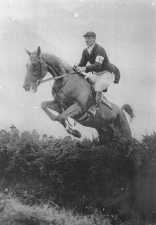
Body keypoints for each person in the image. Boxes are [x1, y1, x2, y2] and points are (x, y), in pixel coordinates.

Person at [74, 31, 120, 110]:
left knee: (98, 87)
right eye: (86, 38)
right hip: (97, 74)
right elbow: (82, 64)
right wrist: (75, 68)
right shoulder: (85, 51)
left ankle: (96, 107)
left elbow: (98, 66)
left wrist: (84, 68)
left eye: (89, 38)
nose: (87, 40)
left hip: (108, 73)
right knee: (85, 81)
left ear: (94, 39)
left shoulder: (100, 50)